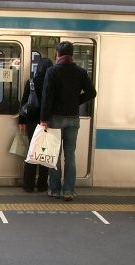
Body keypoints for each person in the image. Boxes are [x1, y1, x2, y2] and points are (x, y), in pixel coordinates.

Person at [40, 41, 97, 201]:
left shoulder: (52, 71)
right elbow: (92, 92)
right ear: (72, 54)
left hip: (56, 118)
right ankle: (68, 191)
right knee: (70, 155)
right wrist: (76, 101)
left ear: (57, 54)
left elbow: (47, 97)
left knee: (55, 155)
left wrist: (44, 119)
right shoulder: (80, 71)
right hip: (73, 118)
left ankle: (55, 189)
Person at [18, 58, 53, 192]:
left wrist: (21, 121)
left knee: (32, 152)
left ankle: (28, 185)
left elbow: (24, 103)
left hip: (32, 121)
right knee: (45, 152)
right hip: (49, 122)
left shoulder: (31, 82)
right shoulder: (52, 82)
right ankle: (42, 185)